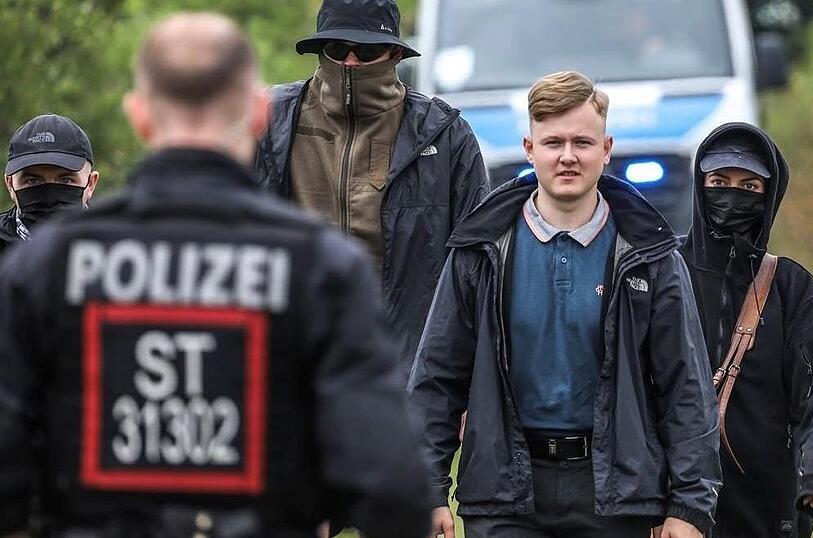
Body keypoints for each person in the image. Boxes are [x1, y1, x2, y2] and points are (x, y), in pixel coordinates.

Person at [0, 12, 430, 538]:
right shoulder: (319, 266)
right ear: (255, 115)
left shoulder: (46, 267)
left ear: (140, 116)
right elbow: (392, 484)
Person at [408, 71, 720, 538]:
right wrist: (427, 490)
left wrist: (690, 506)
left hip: (615, 495)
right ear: (530, 149)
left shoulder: (649, 254)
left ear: (607, 148)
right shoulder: (480, 249)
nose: (568, 157)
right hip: (503, 493)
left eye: (582, 142)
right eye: (553, 142)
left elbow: (686, 386)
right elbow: (437, 377)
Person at [255, 0, 490, 376]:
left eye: (364, 50)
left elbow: (477, 266)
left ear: (395, 53)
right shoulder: (269, 120)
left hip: (408, 368)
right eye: (335, 49)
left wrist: (469, 381)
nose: (349, 62)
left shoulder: (445, 135)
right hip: (290, 358)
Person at [677, 122, 813, 538]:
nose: (731, 195)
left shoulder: (790, 288)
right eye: (719, 181)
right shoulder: (662, 273)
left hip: (765, 510)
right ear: (699, 184)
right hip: (672, 512)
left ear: (769, 196)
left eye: (749, 187)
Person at [1, 114, 99, 256]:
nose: (49, 195)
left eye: (65, 180)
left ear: (91, 183)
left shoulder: (117, 246)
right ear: (10, 184)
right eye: (33, 181)